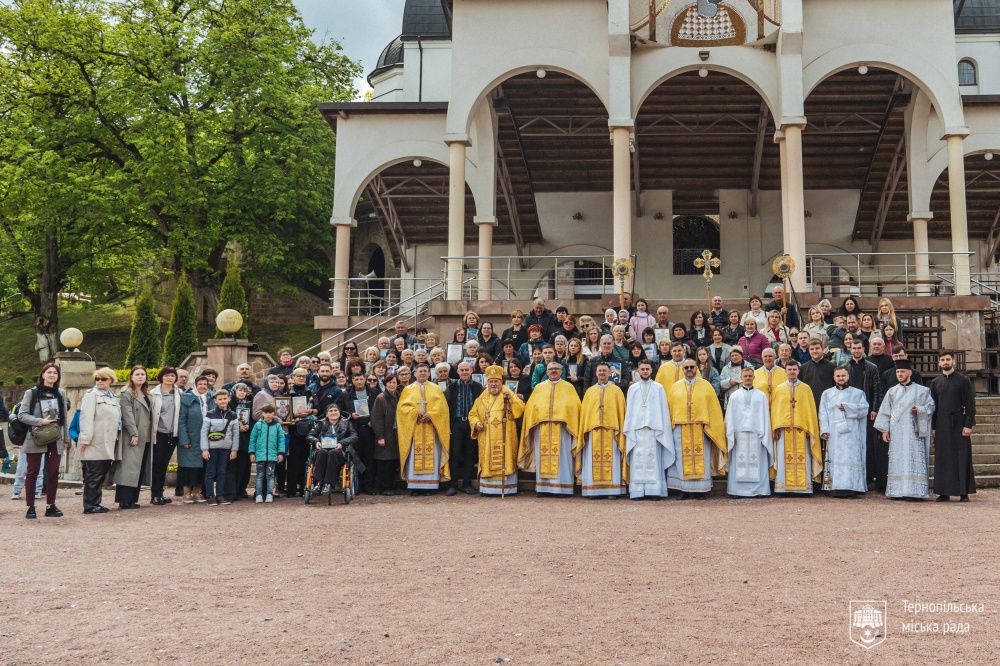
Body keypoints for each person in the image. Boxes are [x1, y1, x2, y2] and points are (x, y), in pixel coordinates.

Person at [664, 359, 726, 499]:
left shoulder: (706, 385)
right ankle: (683, 489)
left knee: (701, 458)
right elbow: (669, 408)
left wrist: (711, 426)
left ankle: (701, 490)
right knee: (680, 459)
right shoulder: (675, 387)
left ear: (697, 368)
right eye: (686, 367)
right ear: (683, 370)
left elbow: (713, 408)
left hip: (701, 428)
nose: (689, 369)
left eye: (692, 367)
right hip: (680, 428)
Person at [874, 360, 935, 500]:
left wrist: (919, 410)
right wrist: (884, 430)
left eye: (902, 371)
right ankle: (897, 491)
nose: (900, 374)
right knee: (897, 459)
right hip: (897, 433)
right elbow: (885, 411)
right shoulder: (892, 391)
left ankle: (915, 492)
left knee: (913, 459)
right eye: (897, 372)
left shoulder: (923, 390)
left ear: (910, 373)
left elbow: (931, 407)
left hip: (914, 433)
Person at [518, 362, 581, 496]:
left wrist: (565, 418)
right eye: (551, 369)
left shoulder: (569, 387)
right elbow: (531, 408)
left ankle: (562, 488)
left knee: (563, 458)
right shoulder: (539, 388)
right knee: (542, 457)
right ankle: (543, 488)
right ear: (546, 372)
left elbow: (575, 408)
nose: (553, 371)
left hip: (563, 429)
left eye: (556, 369)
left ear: (561, 371)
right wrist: (535, 421)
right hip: (542, 428)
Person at [18, 362, 70, 518]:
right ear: (43, 375)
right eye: (49, 372)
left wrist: (66, 439)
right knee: (32, 472)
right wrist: (40, 421)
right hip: (36, 436)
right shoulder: (31, 393)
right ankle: (31, 507)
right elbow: (22, 415)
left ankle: (50, 506)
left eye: (55, 372)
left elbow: (65, 419)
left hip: (56, 437)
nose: (52, 375)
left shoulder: (60, 393)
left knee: (53, 472)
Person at [574, 361, 627, 498]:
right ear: (596, 373)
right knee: (592, 459)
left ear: (610, 373)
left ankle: (612, 491)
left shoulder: (617, 391)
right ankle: (593, 490)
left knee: (613, 460)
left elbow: (621, 411)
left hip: (612, 431)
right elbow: (586, 413)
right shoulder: (590, 391)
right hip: (593, 431)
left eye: (605, 371)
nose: (602, 373)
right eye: (600, 371)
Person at [469, 365, 525, 496]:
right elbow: (472, 414)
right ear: (487, 383)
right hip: (486, 436)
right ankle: (488, 489)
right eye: (491, 381)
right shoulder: (482, 397)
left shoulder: (508, 393)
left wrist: (511, 398)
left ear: (501, 382)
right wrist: (476, 423)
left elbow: (520, 409)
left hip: (506, 434)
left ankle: (507, 489)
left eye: (496, 381)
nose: (493, 384)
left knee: (505, 459)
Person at [622, 359, 674, 499]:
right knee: (637, 460)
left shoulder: (658, 387)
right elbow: (629, 411)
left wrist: (662, 428)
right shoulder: (632, 389)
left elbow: (663, 409)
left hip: (654, 430)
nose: (645, 371)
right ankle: (637, 491)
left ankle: (654, 491)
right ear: (638, 371)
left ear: (651, 371)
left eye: (647, 369)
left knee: (653, 460)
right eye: (642, 369)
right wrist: (629, 428)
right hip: (637, 430)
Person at [396, 363, 450, 494]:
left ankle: (430, 487)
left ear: (429, 373)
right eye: (420, 371)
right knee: (415, 455)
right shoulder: (408, 389)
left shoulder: (436, 389)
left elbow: (443, 409)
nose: (423, 373)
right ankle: (415, 486)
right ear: (414, 374)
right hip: (415, 428)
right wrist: (415, 413)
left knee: (433, 455)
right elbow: (402, 409)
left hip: (432, 428)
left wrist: (431, 415)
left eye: (425, 371)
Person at [769, 360, 822, 495]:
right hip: (783, 430)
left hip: (802, 430)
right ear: (785, 371)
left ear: (798, 371)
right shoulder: (779, 389)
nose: (792, 372)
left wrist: (810, 428)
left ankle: (804, 488)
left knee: (803, 457)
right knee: (782, 458)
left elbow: (810, 410)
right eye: (789, 369)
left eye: (794, 369)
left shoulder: (806, 388)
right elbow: (775, 410)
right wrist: (774, 428)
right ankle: (783, 488)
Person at [930, 352, 976, 502]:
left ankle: (964, 492)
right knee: (943, 458)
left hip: (959, 423)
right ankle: (944, 492)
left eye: (948, 359)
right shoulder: (935, 382)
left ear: (953, 362)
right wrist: (933, 428)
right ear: (939, 363)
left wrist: (968, 425)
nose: (945, 362)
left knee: (961, 457)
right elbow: (933, 407)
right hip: (941, 424)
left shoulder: (963, 380)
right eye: (942, 360)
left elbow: (970, 403)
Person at [819, 367, 869, 497]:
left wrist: (848, 407)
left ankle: (852, 487)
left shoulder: (858, 393)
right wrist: (824, 429)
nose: (841, 378)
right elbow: (822, 413)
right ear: (834, 377)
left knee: (851, 457)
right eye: (838, 376)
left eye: (843, 376)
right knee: (834, 458)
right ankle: (835, 487)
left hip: (852, 433)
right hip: (834, 433)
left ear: (848, 376)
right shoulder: (827, 393)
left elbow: (864, 410)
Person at [77, 367, 121, 515]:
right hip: (95, 440)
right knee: (94, 474)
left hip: (108, 440)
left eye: (103, 379)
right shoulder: (91, 395)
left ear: (111, 380)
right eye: (97, 379)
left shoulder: (112, 396)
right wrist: (85, 439)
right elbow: (86, 418)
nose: (100, 381)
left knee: (100, 473)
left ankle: (96, 503)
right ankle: (90, 505)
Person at [725, 367, 773, 498]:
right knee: (738, 461)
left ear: (754, 377)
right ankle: (736, 491)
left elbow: (765, 416)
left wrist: (764, 433)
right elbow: (730, 417)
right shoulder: (734, 396)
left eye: (750, 376)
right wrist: (731, 433)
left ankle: (759, 491)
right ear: (741, 377)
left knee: (758, 461)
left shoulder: (761, 395)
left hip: (757, 434)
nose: (747, 378)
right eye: (745, 376)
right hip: (738, 434)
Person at [114, 366, 153, 510]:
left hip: (146, 436)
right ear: (131, 376)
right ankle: (124, 500)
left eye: (143, 374)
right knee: (128, 469)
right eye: (137, 374)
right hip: (132, 435)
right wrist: (133, 433)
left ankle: (132, 499)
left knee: (138, 469)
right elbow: (127, 415)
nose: (140, 377)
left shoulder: (145, 393)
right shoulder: (126, 393)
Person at [846, 339, 883, 490]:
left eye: (859, 348)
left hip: (867, 411)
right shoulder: (845, 367)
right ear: (850, 349)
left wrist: (874, 409)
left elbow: (876, 389)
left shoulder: (872, 367)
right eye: (854, 348)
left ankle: (869, 476)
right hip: (851, 411)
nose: (856, 350)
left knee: (869, 443)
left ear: (863, 349)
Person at [445, 361, 484, 496]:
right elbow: (446, 406)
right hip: (456, 423)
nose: (464, 372)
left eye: (467, 370)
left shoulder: (478, 387)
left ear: (472, 370)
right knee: (455, 454)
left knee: (470, 454)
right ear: (458, 372)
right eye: (461, 370)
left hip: (472, 424)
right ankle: (453, 485)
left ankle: (467, 484)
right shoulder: (452, 387)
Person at [306, 404, 358, 495]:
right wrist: (316, 442)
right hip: (322, 450)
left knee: (333, 452)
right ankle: (318, 483)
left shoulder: (346, 422)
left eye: (335, 410)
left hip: (339, 452)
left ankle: (328, 484)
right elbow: (310, 435)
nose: (333, 412)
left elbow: (354, 436)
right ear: (326, 414)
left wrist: (342, 443)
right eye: (330, 411)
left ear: (339, 412)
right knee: (323, 452)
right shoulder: (321, 423)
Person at [200, 388, 239, 506]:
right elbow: (204, 432)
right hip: (212, 448)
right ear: (215, 401)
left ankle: (220, 495)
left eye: (225, 399)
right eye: (220, 399)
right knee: (210, 472)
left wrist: (234, 450)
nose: (222, 401)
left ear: (229, 399)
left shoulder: (233, 415)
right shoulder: (210, 414)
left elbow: (236, 433)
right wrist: (205, 449)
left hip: (226, 449)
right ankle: (210, 496)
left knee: (222, 472)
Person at [149, 366, 182, 505]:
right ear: (161, 377)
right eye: (167, 375)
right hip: (159, 433)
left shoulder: (180, 393)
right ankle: (155, 495)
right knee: (157, 464)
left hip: (173, 434)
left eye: (172, 375)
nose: (170, 378)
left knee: (165, 464)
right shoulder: (153, 393)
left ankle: (160, 493)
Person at [178, 374, 212, 503]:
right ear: (195, 385)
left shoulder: (210, 398)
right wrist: (184, 439)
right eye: (200, 384)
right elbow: (181, 420)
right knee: (188, 467)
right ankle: (186, 494)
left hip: (206, 439)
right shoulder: (186, 398)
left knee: (202, 467)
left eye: (205, 384)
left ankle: (197, 492)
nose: (203, 386)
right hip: (191, 438)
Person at [285, 368, 317, 497]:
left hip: (308, 429)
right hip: (293, 429)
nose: (302, 378)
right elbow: (283, 412)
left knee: (307, 459)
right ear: (293, 377)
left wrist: (309, 412)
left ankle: (306, 487)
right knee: (293, 460)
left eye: (304, 376)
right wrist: (294, 413)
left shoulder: (311, 392)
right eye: (299, 376)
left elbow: (317, 410)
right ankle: (291, 490)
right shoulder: (288, 393)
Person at [370, 374, 402, 495]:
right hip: (385, 434)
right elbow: (376, 418)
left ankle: (392, 486)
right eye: (389, 383)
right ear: (385, 384)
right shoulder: (381, 398)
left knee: (393, 461)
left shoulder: (398, 396)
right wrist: (380, 436)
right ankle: (384, 487)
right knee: (384, 462)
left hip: (396, 433)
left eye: (394, 382)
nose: (392, 385)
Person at [248, 403, 285, 502]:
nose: (268, 414)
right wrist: (252, 452)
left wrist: (280, 453)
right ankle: (258, 495)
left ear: (273, 413)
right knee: (260, 476)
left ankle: (269, 494)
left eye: (270, 412)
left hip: (272, 456)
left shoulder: (277, 426)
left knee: (270, 475)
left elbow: (281, 440)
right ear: (262, 413)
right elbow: (252, 439)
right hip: (260, 455)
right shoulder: (258, 425)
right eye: (266, 412)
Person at [225, 382, 254, 501]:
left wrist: (248, 426)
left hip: (245, 439)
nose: (242, 392)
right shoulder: (229, 404)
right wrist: (236, 426)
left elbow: (253, 420)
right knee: (232, 466)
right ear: (234, 391)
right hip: (232, 439)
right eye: (240, 390)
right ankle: (232, 491)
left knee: (244, 466)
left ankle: (241, 489)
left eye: (244, 390)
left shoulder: (249, 404)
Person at [799, 339, 835, 409]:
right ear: (809, 351)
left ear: (822, 349)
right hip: (809, 404)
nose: (814, 351)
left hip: (828, 404)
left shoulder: (832, 367)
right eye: (812, 349)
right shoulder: (802, 368)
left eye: (817, 348)